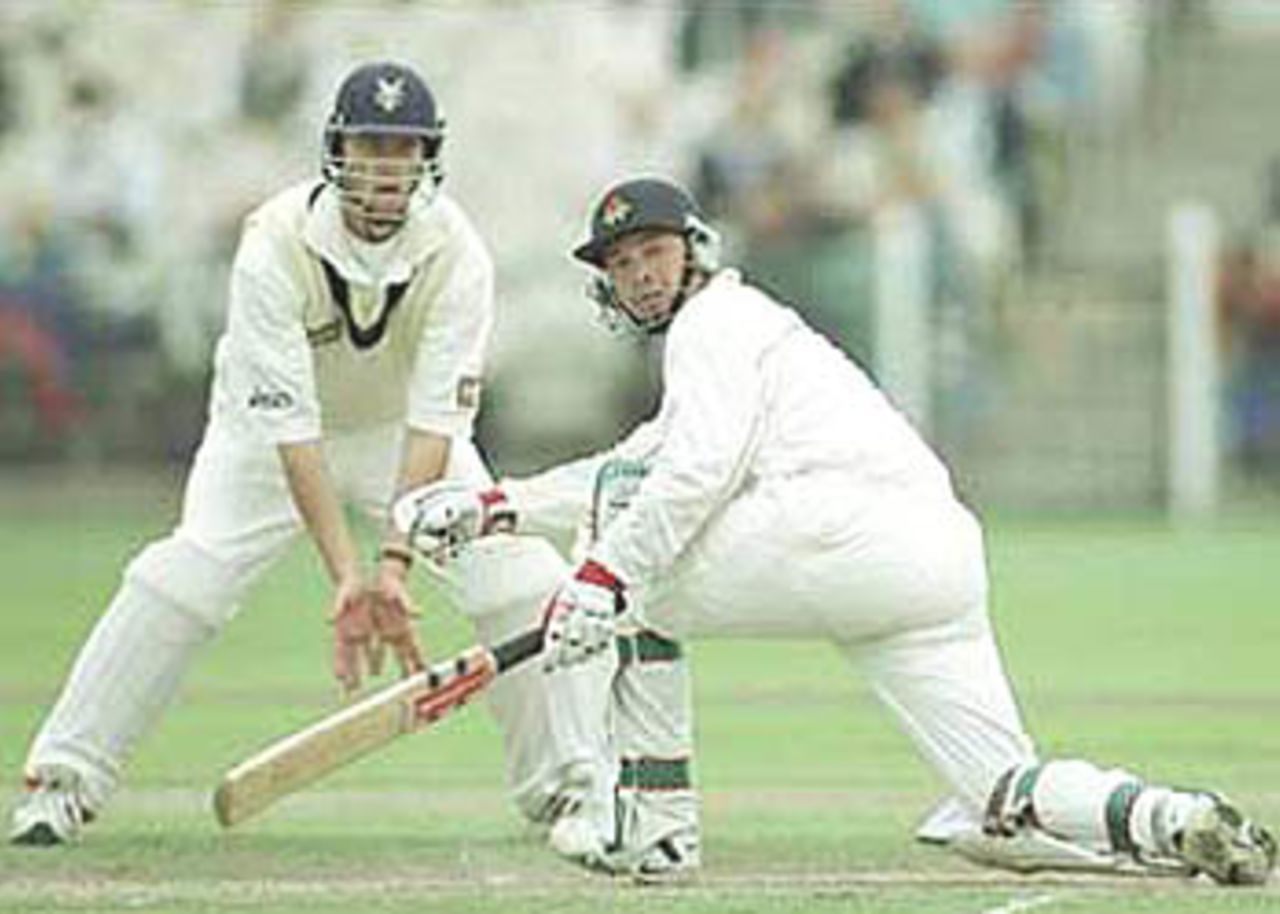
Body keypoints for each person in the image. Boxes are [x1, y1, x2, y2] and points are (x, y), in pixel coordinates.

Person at [394, 176, 1277, 886]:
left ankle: (653, 829)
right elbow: (648, 458)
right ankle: (1170, 817)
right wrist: (497, 506)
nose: (641, 274)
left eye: (654, 252)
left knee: (635, 565)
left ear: (695, 251)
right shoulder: (746, 332)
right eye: (622, 264)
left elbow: (683, 478)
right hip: (932, 561)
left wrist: (600, 582)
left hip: (833, 529)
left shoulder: (713, 325)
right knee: (996, 795)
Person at [10, 61, 608, 847]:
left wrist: (393, 565)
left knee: (522, 579)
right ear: (336, 149)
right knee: (181, 576)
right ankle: (63, 781)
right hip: (265, 441)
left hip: (402, 435)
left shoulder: (459, 254)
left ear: (429, 157)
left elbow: (437, 427)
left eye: (404, 147)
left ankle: (564, 787)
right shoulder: (273, 244)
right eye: (370, 144)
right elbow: (294, 435)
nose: (385, 167)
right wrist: (346, 579)